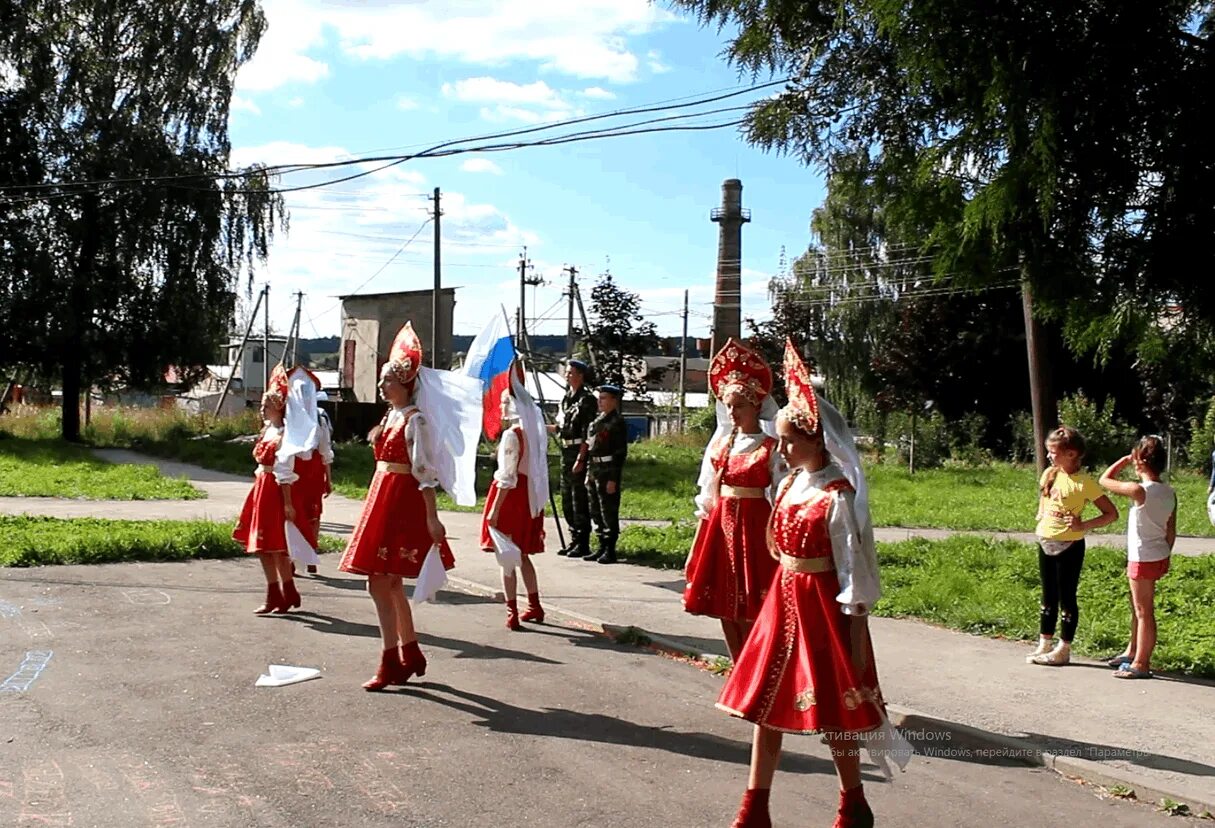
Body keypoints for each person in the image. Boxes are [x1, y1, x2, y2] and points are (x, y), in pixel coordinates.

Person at [719, 339, 910, 828]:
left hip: (820, 610)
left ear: (817, 440)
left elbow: (853, 567)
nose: (780, 448)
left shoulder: (837, 495)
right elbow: (777, 544)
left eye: (789, 440)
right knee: (766, 708)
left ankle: (853, 802)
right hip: (781, 606)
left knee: (832, 716)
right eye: (780, 438)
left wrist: (852, 624)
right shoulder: (787, 484)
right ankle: (754, 807)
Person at [337, 322, 479, 691]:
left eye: (388, 381)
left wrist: (432, 517)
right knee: (390, 583)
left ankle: (391, 659)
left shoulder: (416, 421)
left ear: (405, 384)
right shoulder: (392, 416)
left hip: (401, 500)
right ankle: (409, 650)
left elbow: (425, 472)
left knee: (379, 582)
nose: (383, 387)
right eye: (383, 381)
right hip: (383, 494)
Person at [683, 338, 786, 661]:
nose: (732, 412)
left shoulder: (772, 447)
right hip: (721, 530)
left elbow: (782, 494)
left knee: (753, 605)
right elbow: (708, 499)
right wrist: (695, 547)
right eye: (728, 405)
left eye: (739, 405)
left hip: (756, 530)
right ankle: (737, 663)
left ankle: (756, 666)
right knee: (725, 606)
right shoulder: (720, 447)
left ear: (756, 405)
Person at [1027, 425, 1119, 667]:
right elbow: (1044, 499)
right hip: (1046, 540)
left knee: (1066, 596)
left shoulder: (1084, 482)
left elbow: (1111, 514)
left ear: (1071, 454)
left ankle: (1064, 648)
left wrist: (1083, 524)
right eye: (1048, 452)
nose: (1049, 456)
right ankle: (1044, 643)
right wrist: (1041, 517)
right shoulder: (1050, 473)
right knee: (1048, 597)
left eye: (1054, 452)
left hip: (1069, 545)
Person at [1098, 436, 1176, 679]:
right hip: (1157, 554)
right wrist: (1164, 553)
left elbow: (1104, 480)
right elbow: (1171, 530)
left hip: (1142, 557)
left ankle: (1141, 663)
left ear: (1140, 460)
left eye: (1135, 458)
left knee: (1143, 611)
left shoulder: (1138, 490)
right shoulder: (1169, 492)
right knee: (1138, 608)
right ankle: (1132, 651)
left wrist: (1121, 461)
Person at [481, 360, 549, 629]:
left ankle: (512, 610)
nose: (501, 407)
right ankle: (534, 605)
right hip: (529, 494)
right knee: (522, 555)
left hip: (511, 498)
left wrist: (495, 510)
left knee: (507, 557)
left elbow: (506, 477)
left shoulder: (513, 435)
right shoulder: (534, 433)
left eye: (504, 402)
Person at [233, 363, 302, 615]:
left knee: (277, 546)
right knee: (261, 546)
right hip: (261, 487)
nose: (262, 409)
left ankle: (286, 590)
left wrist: (287, 502)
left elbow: (285, 472)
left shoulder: (285, 435)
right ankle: (275, 593)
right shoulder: (267, 431)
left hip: (275, 489)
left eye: (267, 405)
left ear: (279, 408)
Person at [280, 370, 332, 578]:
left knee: (313, 515)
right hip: (292, 470)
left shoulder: (319, 418)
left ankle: (310, 555)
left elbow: (325, 449)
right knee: (292, 514)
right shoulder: (286, 416)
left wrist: (329, 477)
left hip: (313, 471)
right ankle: (292, 558)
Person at [549, 359, 598, 558]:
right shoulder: (566, 398)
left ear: (581, 376)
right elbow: (560, 426)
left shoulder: (587, 400)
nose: (568, 376)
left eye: (571, 373)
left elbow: (589, 432)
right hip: (566, 451)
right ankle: (574, 538)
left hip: (579, 450)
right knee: (567, 498)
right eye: (567, 373)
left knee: (579, 499)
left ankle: (583, 541)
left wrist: (581, 458)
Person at [583, 384, 629, 564]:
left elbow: (620, 453)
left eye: (603, 398)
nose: (599, 402)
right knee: (596, 510)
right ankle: (601, 545)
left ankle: (610, 549)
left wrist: (613, 479)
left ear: (614, 401)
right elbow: (590, 448)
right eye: (599, 398)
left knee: (608, 510)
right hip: (595, 468)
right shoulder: (596, 422)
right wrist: (588, 472)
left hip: (608, 469)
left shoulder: (617, 422)